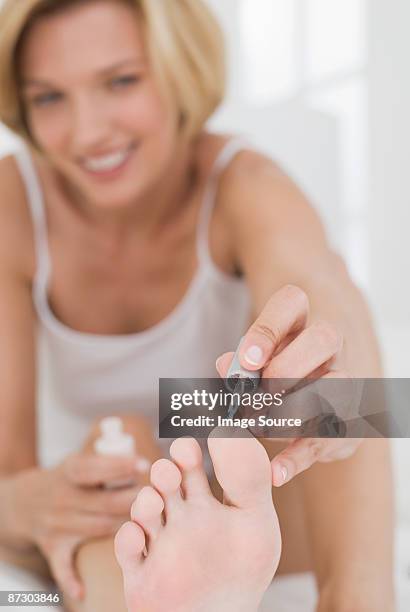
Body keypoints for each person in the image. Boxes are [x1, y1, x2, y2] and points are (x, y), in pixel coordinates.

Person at [0, 0, 393, 610]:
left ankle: (360, 597)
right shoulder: (13, 207)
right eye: (49, 97)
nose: (88, 131)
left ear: (178, 67)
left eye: (121, 80)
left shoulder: (250, 187)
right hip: (117, 496)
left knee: (336, 306)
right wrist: (23, 503)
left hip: (246, 473)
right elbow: (7, 470)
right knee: (124, 444)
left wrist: (331, 397)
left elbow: (315, 295)